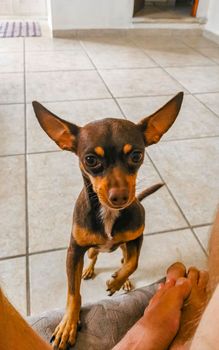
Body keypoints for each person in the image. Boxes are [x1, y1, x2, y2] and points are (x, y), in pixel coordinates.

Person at [0, 209, 218, 350]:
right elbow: (76, 252)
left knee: (133, 259)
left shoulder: (134, 214)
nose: (118, 191)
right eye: (93, 162)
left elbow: (132, 252)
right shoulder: (85, 220)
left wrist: (127, 270)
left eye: (134, 157)